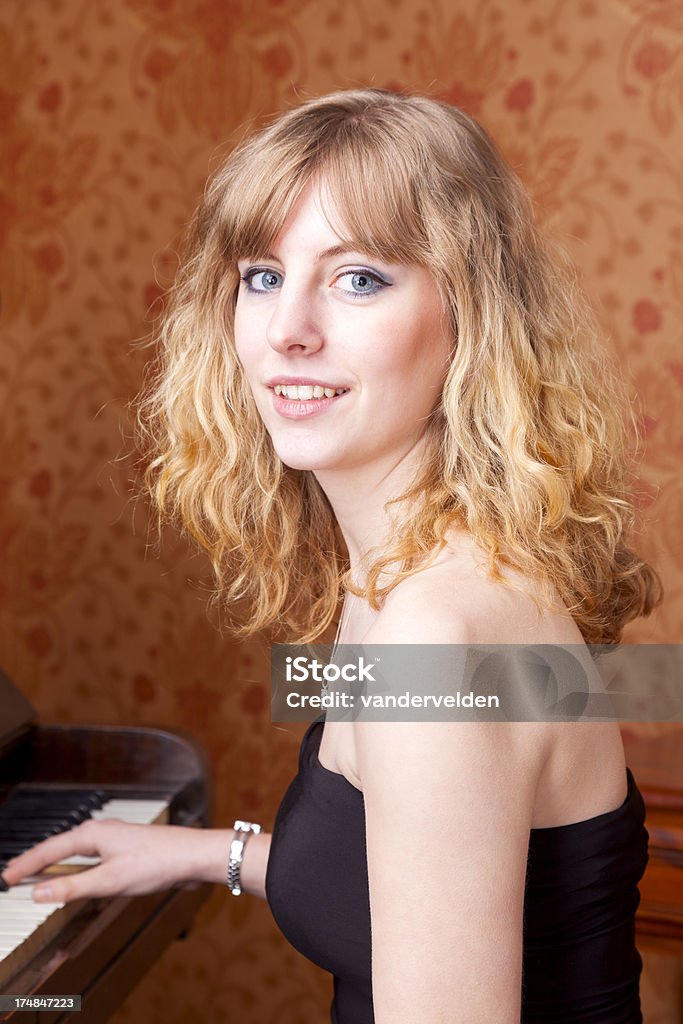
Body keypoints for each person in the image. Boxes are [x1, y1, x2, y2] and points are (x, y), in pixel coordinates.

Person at [1, 89, 663, 1023]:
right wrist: (210, 853)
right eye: (262, 275)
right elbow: (439, 861)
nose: (287, 331)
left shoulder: (431, 638)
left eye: (358, 278)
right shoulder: (422, 571)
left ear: (471, 313)